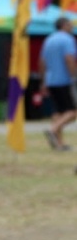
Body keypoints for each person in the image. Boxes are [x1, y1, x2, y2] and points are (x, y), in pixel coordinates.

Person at [38, 16, 77, 150]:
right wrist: (74, 75)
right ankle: (53, 129)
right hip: (64, 80)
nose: (72, 26)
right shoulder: (67, 39)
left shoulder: (48, 40)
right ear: (64, 25)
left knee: (59, 112)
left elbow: (42, 62)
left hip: (50, 80)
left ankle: (59, 144)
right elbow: (69, 59)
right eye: (70, 24)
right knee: (72, 112)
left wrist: (43, 81)